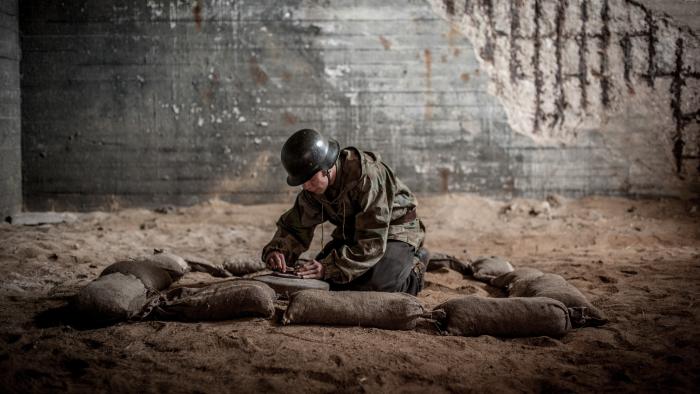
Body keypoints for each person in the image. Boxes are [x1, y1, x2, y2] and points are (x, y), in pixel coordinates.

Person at [260, 128, 428, 296]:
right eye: (302, 182)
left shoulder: (367, 176)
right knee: (321, 278)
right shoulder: (313, 188)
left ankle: (415, 266)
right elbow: (296, 227)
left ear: (327, 166)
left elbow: (372, 241)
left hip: (395, 230)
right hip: (356, 232)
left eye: (310, 179)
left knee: (376, 287)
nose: (306, 187)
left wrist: (328, 267)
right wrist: (278, 250)